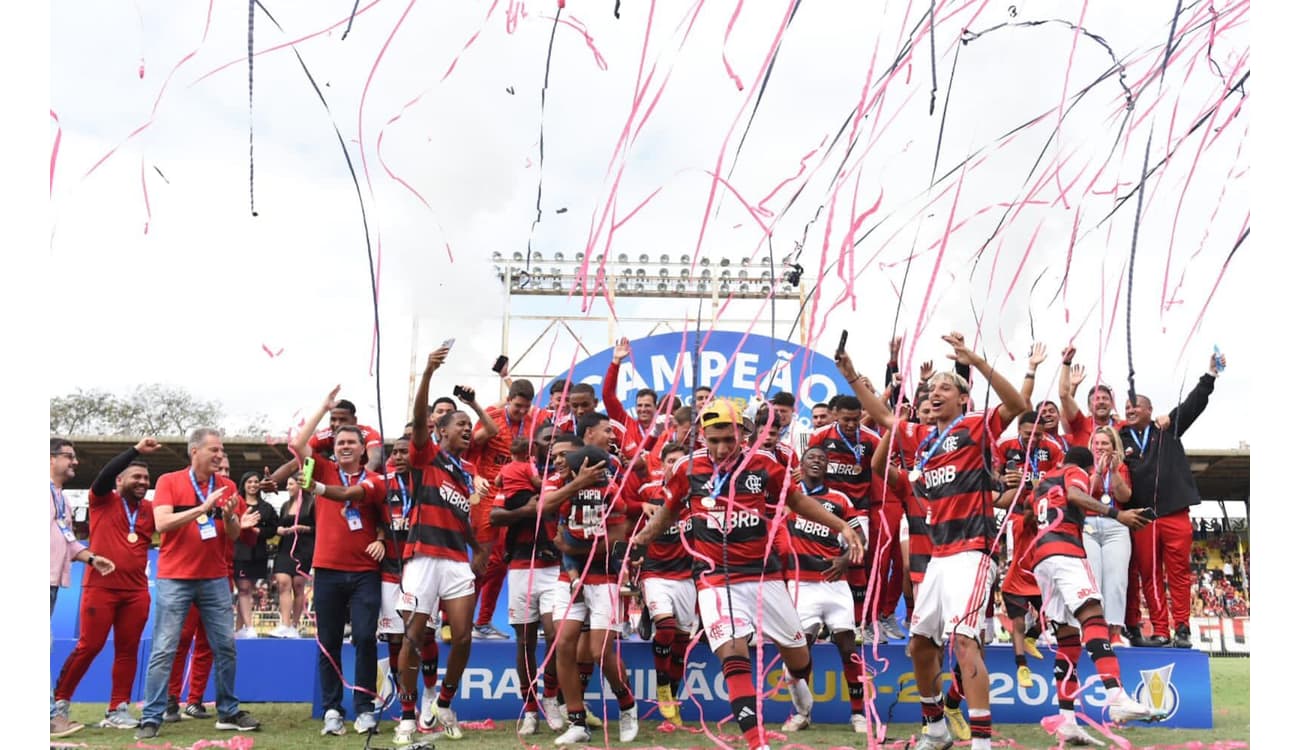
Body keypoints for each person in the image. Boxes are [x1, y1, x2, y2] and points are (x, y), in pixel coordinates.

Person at [633, 399, 864, 750]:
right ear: (702, 437)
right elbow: (667, 512)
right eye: (713, 440)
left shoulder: (764, 464)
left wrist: (842, 527)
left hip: (763, 578)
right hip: (714, 580)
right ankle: (758, 745)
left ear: (743, 434)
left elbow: (798, 502)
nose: (721, 448)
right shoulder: (685, 469)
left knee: (800, 662)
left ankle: (800, 695)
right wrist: (640, 540)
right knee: (733, 655)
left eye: (728, 438)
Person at [837, 332, 1028, 750]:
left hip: (972, 554)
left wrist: (974, 361)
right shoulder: (923, 441)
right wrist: (852, 376)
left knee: (963, 641)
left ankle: (980, 742)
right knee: (920, 646)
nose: (935, 392)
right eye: (931, 388)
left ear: (963, 399)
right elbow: (886, 420)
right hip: (938, 559)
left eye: (945, 387)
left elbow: (1017, 405)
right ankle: (936, 728)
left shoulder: (976, 427)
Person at [390, 346, 490, 744]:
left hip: (455, 561)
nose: (468, 429)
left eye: (470, 425)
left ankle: (444, 702)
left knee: (463, 637)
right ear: (442, 430)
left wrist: (478, 547)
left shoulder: (466, 473)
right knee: (414, 638)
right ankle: (407, 717)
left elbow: (461, 517)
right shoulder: (426, 455)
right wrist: (428, 373)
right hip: (422, 560)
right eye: (460, 424)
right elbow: (417, 421)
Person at [135, 428, 261, 739]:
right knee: (164, 649)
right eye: (214, 450)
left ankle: (228, 711)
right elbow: (162, 524)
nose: (219, 455)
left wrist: (230, 517)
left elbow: (232, 535)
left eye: (221, 450)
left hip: (215, 577)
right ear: (195, 451)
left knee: (225, 648)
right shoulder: (169, 482)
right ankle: (152, 716)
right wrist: (203, 509)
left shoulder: (228, 485)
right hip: (174, 578)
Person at [1031, 446, 1158, 745]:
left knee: (1068, 642)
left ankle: (1067, 721)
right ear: (1086, 470)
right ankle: (1116, 696)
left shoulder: (1043, 482)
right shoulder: (1073, 472)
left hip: (1042, 560)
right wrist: (1117, 514)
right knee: (1093, 616)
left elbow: (1031, 513)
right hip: (1066, 552)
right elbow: (1076, 496)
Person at [292, 386, 389, 736]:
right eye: (339, 443)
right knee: (328, 641)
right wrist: (323, 407)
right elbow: (299, 444)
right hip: (328, 570)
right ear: (332, 449)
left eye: (351, 442)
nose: (345, 446)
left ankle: (364, 708)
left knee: (364, 638)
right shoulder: (322, 470)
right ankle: (332, 709)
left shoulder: (376, 480)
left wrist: (379, 539)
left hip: (365, 572)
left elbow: (384, 520)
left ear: (364, 449)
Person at [1122, 350, 1226, 650]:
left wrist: (1210, 376)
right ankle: (1161, 630)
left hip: (1174, 512)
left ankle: (1182, 629)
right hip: (1143, 516)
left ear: (1150, 409)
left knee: (1179, 573)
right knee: (1149, 575)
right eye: (1127, 407)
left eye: (1136, 406)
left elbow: (1195, 403)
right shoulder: (1121, 438)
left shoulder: (1168, 428)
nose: (1130, 410)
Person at [54, 438, 160, 731]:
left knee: (128, 650)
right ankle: (59, 703)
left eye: (146, 479)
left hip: (137, 591)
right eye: (136, 477)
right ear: (120, 479)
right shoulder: (102, 499)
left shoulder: (150, 508)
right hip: (100, 588)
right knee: (90, 645)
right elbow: (103, 476)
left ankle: (118, 709)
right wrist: (136, 451)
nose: (142, 482)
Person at [542, 439, 639, 745]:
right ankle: (577, 720)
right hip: (567, 578)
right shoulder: (560, 485)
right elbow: (544, 508)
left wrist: (572, 546)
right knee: (564, 645)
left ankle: (627, 705)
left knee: (599, 652)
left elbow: (613, 540)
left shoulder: (612, 493)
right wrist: (575, 485)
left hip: (604, 577)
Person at [778, 446, 871, 734]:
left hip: (835, 584)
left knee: (848, 647)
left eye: (822, 459)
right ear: (801, 465)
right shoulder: (789, 496)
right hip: (801, 585)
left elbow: (861, 538)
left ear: (828, 466)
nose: (817, 461)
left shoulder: (840, 499)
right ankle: (802, 713)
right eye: (811, 458)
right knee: (799, 652)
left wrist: (846, 559)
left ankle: (858, 715)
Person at [489, 435, 562, 735]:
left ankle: (552, 699)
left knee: (557, 636)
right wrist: (526, 510)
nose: (547, 446)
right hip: (520, 567)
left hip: (554, 568)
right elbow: (495, 515)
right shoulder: (516, 475)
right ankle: (530, 708)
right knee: (525, 641)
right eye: (544, 440)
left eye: (552, 442)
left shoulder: (559, 481)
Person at [376, 436, 444, 733]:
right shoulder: (384, 484)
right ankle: (406, 709)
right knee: (395, 640)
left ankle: (430, 693)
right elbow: (374, 516)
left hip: (423, 568)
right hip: (391, 571)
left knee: (423, 637)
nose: (399, 456)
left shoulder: (430, 482)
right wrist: (379, 537)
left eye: (405, 451)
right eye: (395, 452)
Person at [50, 438, 117, 738]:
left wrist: (91, 558)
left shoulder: (61, 498)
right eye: (69, 456)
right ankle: (50, 719)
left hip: (51, 582)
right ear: (50, 458)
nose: (75, 462)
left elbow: (68, 539)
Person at [631, 441, 695, 726]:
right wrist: (638, 505)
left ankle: (673, 702)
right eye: (670, 461)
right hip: (655, 573)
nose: (675, 466)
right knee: (666, 628)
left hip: (687, 576)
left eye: (681, 462)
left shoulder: (701, 495)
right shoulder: (650, 492)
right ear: (662, 464)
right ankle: (661, 686)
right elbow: (620, 501)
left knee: (681, 642)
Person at [1082, 426, 1134, 646]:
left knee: (1117, 579)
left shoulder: (1121, 466)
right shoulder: (1083, 468)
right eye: (1097, 443)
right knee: (1091, 578)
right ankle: (1092, 630)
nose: (1101, 447)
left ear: (1114, 447)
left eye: (1105, 443)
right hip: (1087, 525)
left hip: (1116, 525)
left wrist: (1112, 473)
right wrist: (1097, 472)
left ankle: (1114, 631)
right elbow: (1083, 494)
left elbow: (1125, 496)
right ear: (1091, 445)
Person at [233, 471, 278, 638]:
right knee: (243, 588)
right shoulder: (236, 503)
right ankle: (250, 627)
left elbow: (273, 528)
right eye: (249, 482)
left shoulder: (266, 508)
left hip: (258, 553)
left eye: (255, 482)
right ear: (243, 484)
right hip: (239, 552)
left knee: (248, 590)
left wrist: (260, 531)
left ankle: (239, 629)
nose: (252, 485)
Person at [270, 475, 314, 638]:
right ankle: (285, 623)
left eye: (290, 484)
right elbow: (279, 524)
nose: (287, 487)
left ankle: (294, 625)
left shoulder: (311, 504)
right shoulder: (285, 505)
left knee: (298, 585)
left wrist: (304, 528)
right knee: (283, 583)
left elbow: (318, 527)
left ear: (300, 485)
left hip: (303, 549)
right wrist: (280, 529)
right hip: (285, 547)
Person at [1058, 346, 1124, 446]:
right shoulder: (1081, 424)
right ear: (1089, 407)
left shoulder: (1124, 426)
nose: (1101, 402)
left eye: (1105, 398)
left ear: (1112, 404)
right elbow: (1063, 395)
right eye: (1096, 399)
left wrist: (1157, 421)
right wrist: (1066, 363)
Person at [308, 397, 385, 471]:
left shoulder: (368, 433)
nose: (337, 424)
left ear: (354, 420)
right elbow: (301, 454)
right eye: (333, 419)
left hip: (369, 480)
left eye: (342, 420)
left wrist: (361, 477)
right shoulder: (325, 435)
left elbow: (376, 457)